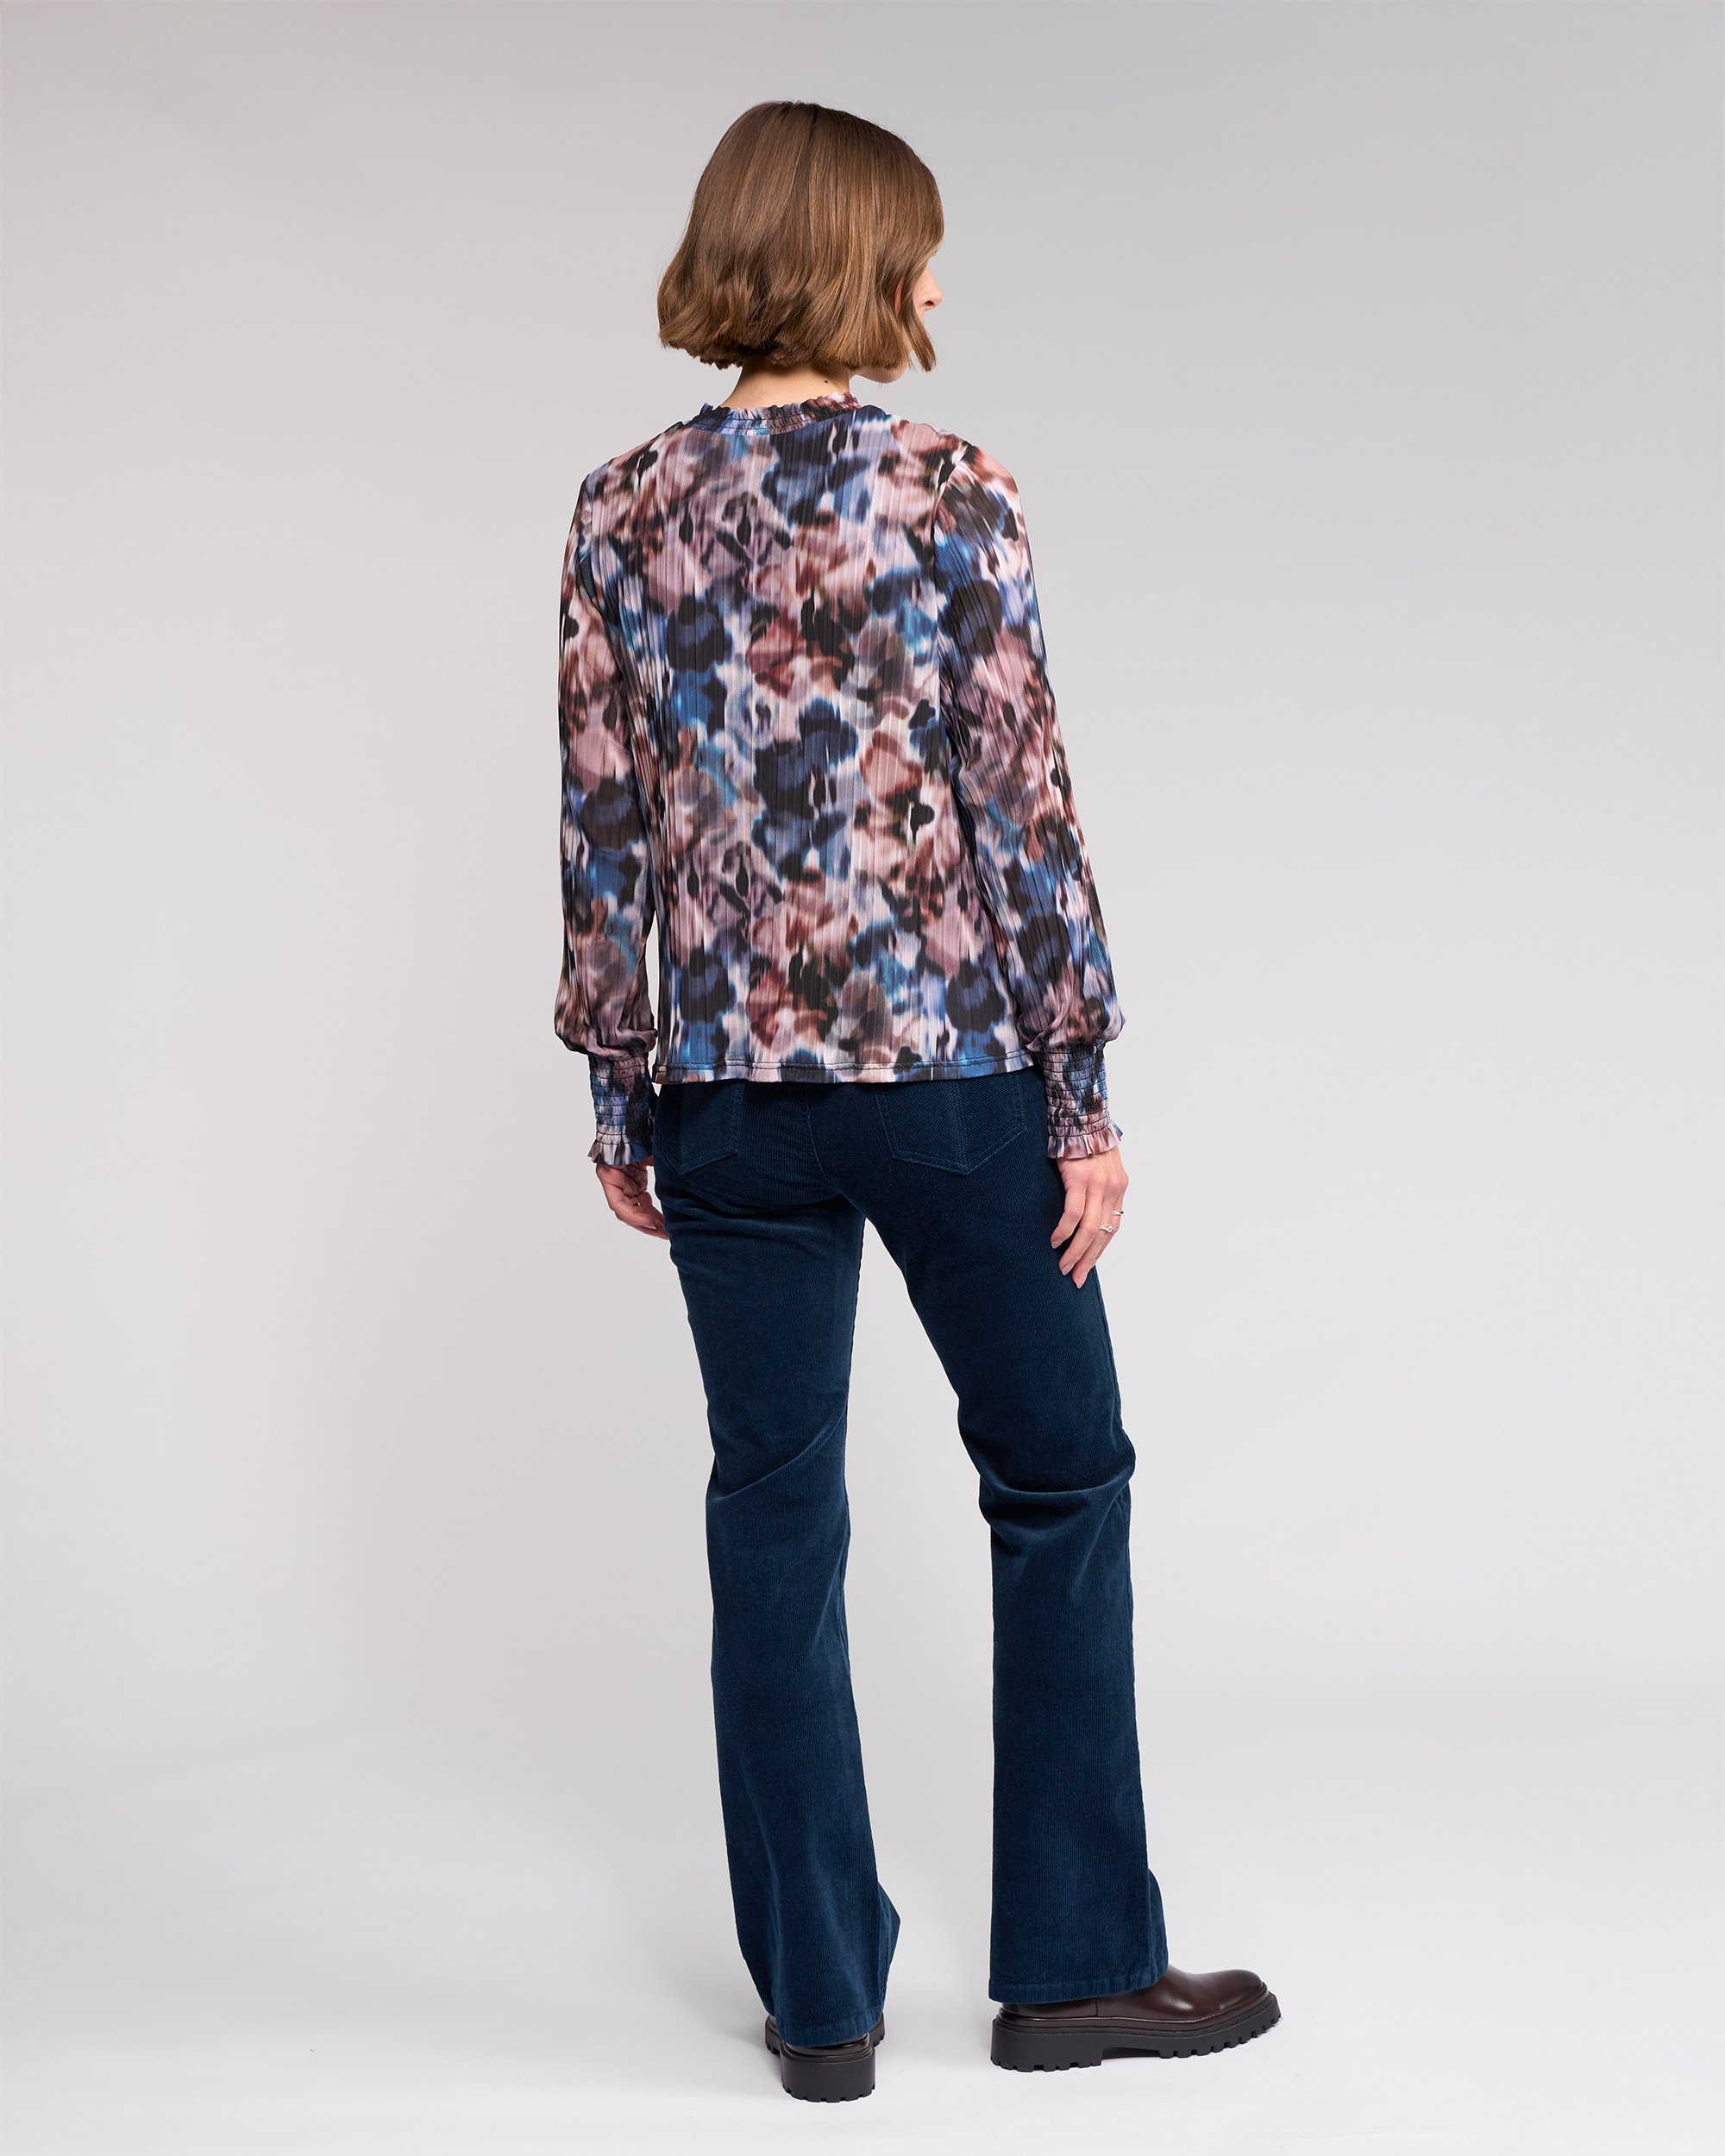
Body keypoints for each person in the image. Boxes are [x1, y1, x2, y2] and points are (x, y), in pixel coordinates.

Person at [555, 99, 1277, 2103]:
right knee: (1057, 1476)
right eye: (921, 248)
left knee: (772, 1514)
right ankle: (1071, 1970)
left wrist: (622, 1091)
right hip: (949, 1072)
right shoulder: (948, 487)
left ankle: (820, 2002)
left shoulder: (619, 506)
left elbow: (603, 822)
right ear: (860, 259)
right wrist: (1083, 1095)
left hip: (723, 1092)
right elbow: (1019, 807)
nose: (939, 283)